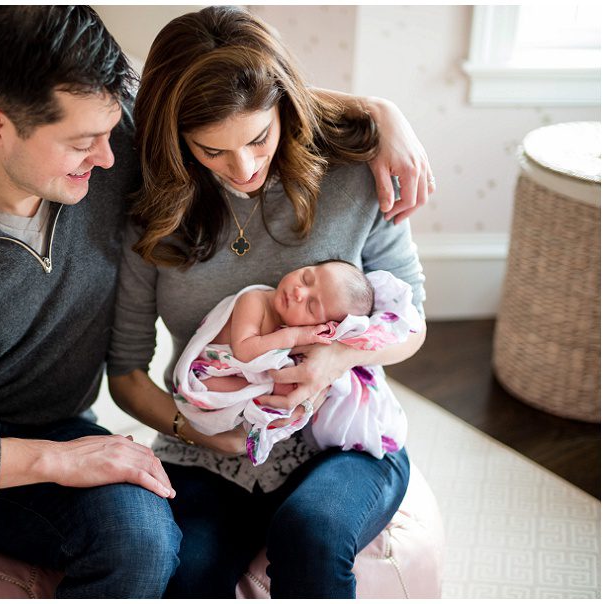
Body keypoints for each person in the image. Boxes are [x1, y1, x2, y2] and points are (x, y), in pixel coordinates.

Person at [0, 5, 430, 599]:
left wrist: (381, 114)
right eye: (81, 141)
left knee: (146, 544)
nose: (110, 153)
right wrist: (59, 459)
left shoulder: (106, 145)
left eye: (111, 131)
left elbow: (235, 87)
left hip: (54, 427)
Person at [107, 6, 429, 598]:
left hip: (339, 445)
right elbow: (126, 372)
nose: (246, 166)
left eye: (259, 137)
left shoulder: (355, 175)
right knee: (186, 574)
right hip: (206, 452)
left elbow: (413, 327)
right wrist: (199, 433)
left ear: (283, 105)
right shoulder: (154, 214)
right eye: (213, 151)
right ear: (176, 139)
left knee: (310, 531)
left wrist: (338, 359)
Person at [171, 260, 421, 465]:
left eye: (312, 306)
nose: (299, 292)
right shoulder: (256, 301)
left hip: (248, 388)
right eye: (307, 278)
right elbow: (245, 352)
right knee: (229, 389)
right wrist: (293, 336)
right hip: (210, 374)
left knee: (283, 390)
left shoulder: (293, 330)